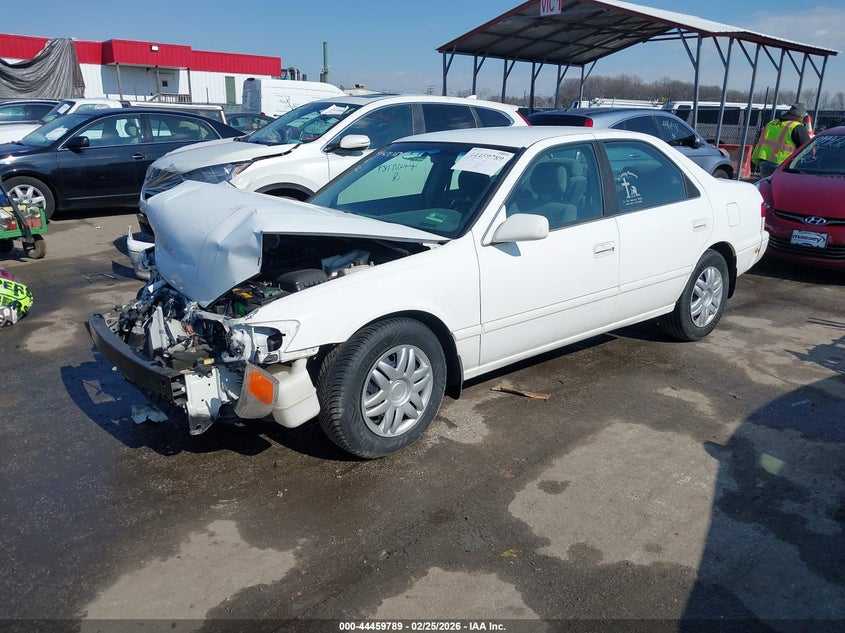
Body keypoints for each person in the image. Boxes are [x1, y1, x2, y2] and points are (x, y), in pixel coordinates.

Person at [751, 103, 812, 178]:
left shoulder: (772, 123)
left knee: (767, 184)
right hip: (783, 164)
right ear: (800, 116)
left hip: (764, 161)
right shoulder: (797, 127)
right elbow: (807, 149)